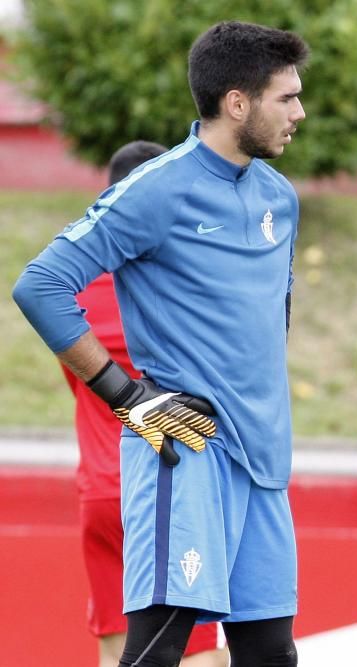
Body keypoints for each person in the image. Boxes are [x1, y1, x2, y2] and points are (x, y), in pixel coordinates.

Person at [14, 20, 307, 667]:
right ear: (238, 102)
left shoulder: (279, 200)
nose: (300, 112)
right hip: (188, 455)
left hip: (264, 469)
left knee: (271, 654)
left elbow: (269, 319)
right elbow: (40, 286)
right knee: (157, 652)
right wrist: (128, 398)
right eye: (286, 98)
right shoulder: (156, 189)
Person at [63, 140, 228, 666]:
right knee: (197, 649)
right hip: (166, 486)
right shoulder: (180, 288)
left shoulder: (77, 290)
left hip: (101, 492)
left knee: (117, 651)